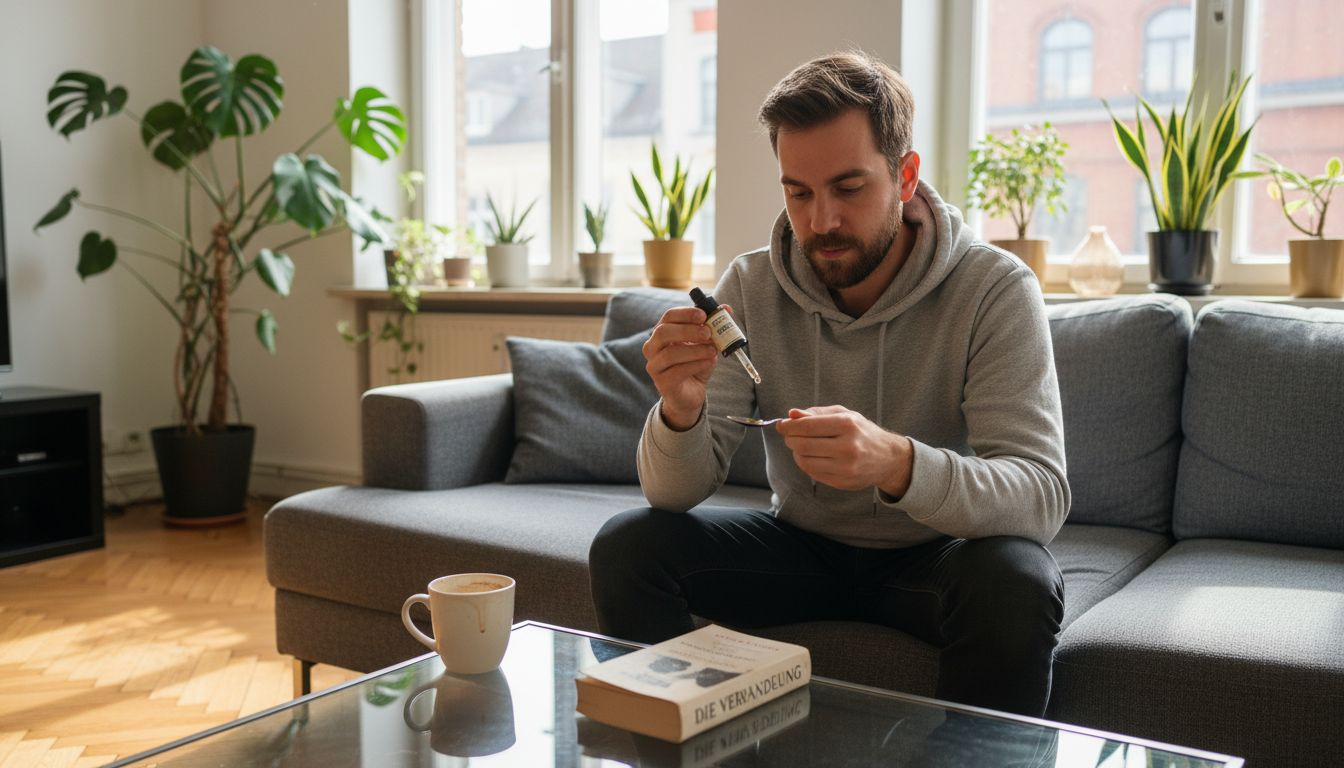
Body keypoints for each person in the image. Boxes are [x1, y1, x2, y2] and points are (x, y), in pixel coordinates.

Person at [588, 50, 1069, 718]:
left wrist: (896, 464)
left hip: (934, 559)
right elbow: (674, 493)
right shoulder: (750, 287)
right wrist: (679, 409)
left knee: (1018, 580)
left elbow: (1040, 497)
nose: (821, 223)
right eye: (798, 192)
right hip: (801, 549)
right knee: (629, 546)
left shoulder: (994, 289)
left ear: (905, 176)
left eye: (848, 188)